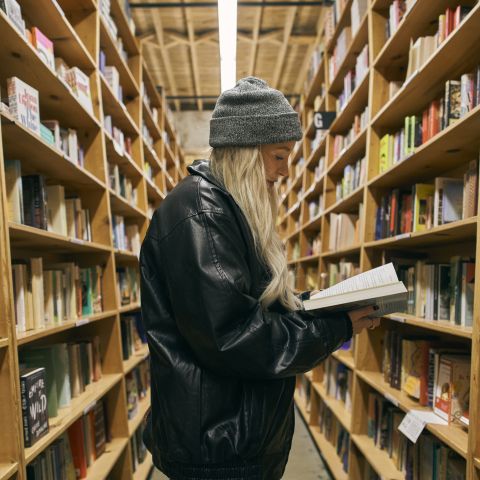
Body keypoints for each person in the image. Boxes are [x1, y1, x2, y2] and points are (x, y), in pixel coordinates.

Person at [140, 76, 379, 480]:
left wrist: (316, 304)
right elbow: (234, 337)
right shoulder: (203, 214)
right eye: (279, 156)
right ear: (247, 152)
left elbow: (247, 303)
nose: (284, 172)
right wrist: (332, 327)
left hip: (231, 439)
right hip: (217, 449)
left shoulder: (225, 211)